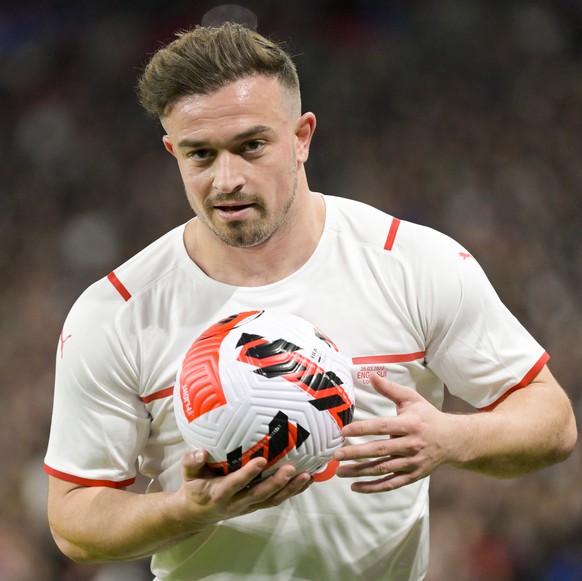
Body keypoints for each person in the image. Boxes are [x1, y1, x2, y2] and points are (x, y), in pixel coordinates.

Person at [44, 22, 577, 581]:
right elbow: (74, 520)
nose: (227, 179)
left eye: (251, 146)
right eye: (200, 155)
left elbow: (552, 421)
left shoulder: (410, 263)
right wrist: (185, 510)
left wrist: (452, 437)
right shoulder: (118, 311)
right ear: (171, 150)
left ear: (302, 137)